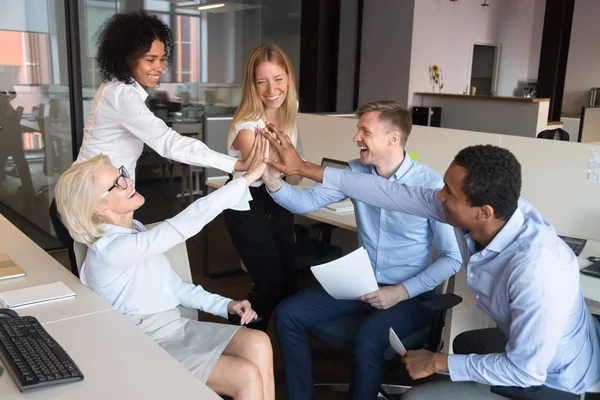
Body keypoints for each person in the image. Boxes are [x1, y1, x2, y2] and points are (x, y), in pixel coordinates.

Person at [261, 135, 600, 398]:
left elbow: (528, 371)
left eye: (448, 193)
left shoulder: (538, 270)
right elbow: (387, 193)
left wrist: (436, 361)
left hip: (556, 381)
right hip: (531, 350)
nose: (438, 197)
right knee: (469, 344)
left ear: (483, 212)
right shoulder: (491, 211)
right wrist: (306, 169)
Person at [261, 101, 461, 399]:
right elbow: (305, 202)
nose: (356, 138)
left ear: (393, 139)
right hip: (361, 285)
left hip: (409, 296)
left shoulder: (430, 185)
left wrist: (401, 291)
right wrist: (274, 182)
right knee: (289, 313)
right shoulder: (356, 171)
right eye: (358, 130)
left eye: (364, 131)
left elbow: (452, 258)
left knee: (368, 339)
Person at [54, 135, 275, 400]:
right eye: (117, 183)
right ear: (99, 207)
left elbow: (174, 287)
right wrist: (247, 179)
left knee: (259, 342)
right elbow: (183, 225)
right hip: (142, 342)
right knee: (244, 374)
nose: (129, 182)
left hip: (175, 327)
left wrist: (226, 305)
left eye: (122, 174)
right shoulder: (110, 251)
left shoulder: (135, 232)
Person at [50, 10, 255, 264]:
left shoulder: (121, 90)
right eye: (150, 59)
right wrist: (234, 164)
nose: (160, 67)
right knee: (99, 291)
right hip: (88, 206)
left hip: (96, 204)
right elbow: (169, 143)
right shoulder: (122, 95)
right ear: (127, 59)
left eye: (161, 58)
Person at [223, 43, 300, 331]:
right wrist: (290, 165)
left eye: (278, 79)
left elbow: (294, 176)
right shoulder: (247, 125)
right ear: (252, 85)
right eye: (262, 81)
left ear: (288, 78)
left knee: (289, 285)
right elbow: (267, 170)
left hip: (278, 202)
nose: (271, 89)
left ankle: (261, 342)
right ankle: (241, 338)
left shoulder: (289, 113)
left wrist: (290, 167)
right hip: (247, 206)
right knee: (270, 285)